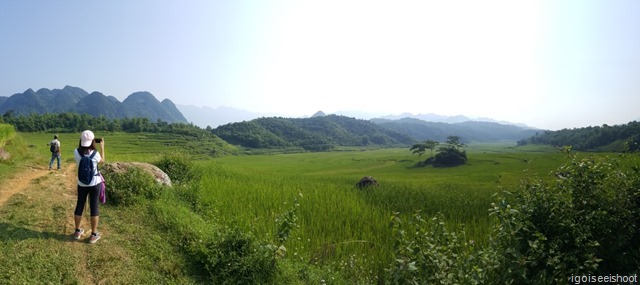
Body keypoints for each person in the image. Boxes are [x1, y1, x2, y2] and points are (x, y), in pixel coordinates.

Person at [72, 130, 105, 244]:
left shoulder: (76, 152)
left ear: (81, 140)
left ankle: (77, 231)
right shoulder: (96, 154)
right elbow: (102, 161)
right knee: (94, 207)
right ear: (92, 141)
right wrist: (102, 147)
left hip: (82, 183)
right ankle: (93, 235)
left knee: (79, 205)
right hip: (95, 183)